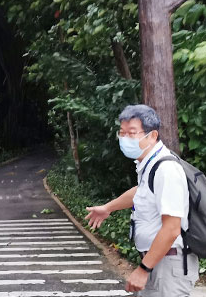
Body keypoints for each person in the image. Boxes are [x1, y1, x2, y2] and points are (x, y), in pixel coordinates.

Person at [85, 104, 199, 296]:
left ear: (152, 136)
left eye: (132, 133)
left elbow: (171, 228)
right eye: (122, 132)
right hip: (158, 261)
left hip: (168, 266)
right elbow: (141, 192)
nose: (125, 138)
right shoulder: (150, 164)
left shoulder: (166, 169)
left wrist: (143, 269)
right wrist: (108, 208)